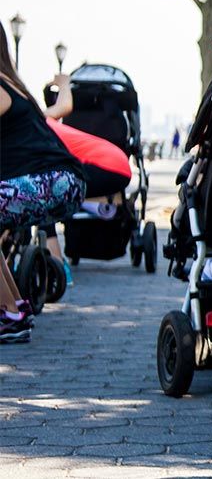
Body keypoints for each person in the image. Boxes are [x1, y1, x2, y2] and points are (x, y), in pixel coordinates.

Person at [0, 24, 86, 343]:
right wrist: (64, 84)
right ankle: (15, 312)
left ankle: (9, 312)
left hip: (51, 181)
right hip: (64, 181)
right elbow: (61, 108)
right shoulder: (13, 84)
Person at [40, 73, 133, 286]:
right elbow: (64, 106)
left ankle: (58, 269)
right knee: (46, 198)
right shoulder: (37, 120)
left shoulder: (33, 127)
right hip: (116, 165)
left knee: (44, 201)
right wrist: (63, 84)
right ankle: (56, 265)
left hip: (107, 167)